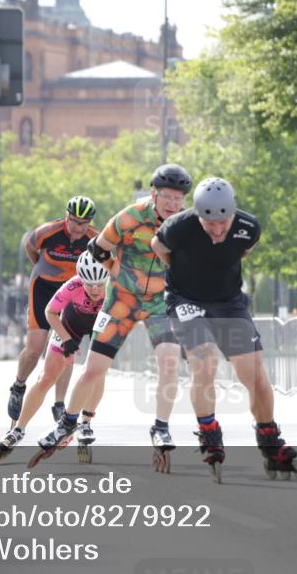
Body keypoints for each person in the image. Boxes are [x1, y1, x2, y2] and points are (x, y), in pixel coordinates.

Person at [35, 165, 192, 466]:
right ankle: (67, 423)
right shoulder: (131, 216)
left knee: (170, 364)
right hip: (122, 301)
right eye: (168, 197)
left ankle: (160, 428)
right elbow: (98, 247)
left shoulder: (186, 223)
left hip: (160, 302)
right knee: (94, 369)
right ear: (153, 194)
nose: (173, 205)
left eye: (179, 199)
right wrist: (118, 273)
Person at [150, 177, 297, 482]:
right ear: (199, 216)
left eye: (224, 223)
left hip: (228, 302)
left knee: (256, 375)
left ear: (233, 213)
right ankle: (208, 433)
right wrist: (185, 273)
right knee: (206, 363)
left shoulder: (249, 227)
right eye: (210, 224)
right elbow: (158, 247)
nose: (218, 230)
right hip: (186, 300)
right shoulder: (179, 226)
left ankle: (269, 440)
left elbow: (242, 251)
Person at [0, 252, 110, 465]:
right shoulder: (73, 286)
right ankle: (18, 430)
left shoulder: (115, 291)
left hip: (102, 323)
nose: (96, 290)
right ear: (81, 279)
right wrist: (65, 338)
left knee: (96, 372)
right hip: (70, 323)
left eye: (100, 284)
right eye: (90, 285)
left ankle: (86, 422)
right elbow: (50, 312)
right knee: (46, 377)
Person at [8, 196, 98, 423]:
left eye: (84, 223)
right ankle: (19, 385)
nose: (79, 228)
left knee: (66, 348)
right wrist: (40, 266)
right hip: (43, 287)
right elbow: (30, 247)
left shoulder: (94, 239)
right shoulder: (47, 231)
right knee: (34, 349)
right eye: (74, 222)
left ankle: (59, 403)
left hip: (71, 292)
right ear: (66, 217)